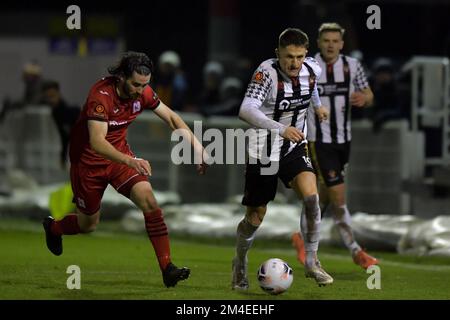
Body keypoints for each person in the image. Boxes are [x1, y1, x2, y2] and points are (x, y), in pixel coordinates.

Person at [42, 51, 208, 288]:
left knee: (149, 201)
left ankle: (167, 268)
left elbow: (171, 117)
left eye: (145, 85)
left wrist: (198, 147)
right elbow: (98, 142)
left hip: (119, 160)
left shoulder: (143, 92)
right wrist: (132, 161)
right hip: (88, 164)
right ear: (121, 77)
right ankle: (53, 227)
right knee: (88, 224)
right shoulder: (100, 97)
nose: (141, 90)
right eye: (136, 84)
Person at [232, 28, 333, 289]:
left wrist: (318, 105)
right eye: (289, 57)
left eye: (299, 57)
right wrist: (280, 128)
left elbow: (310, 90)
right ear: (278, 53)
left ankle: (311, 261)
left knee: (311, 198)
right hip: (262, 150)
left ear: (306, 54)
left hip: (293, 148)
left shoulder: (312, 69)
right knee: (255, 216)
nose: (294, 63)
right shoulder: (265, 73)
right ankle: (240, 262)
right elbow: (245, 110)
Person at [291, 23, 378, 270]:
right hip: (319, 141)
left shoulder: (352, 66)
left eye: (335, 41)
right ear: (318, 43)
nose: (330, 45)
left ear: (342, 44)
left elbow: (369, 93)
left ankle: (301, 238)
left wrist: (365, 98)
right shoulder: (308, 66)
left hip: (344, 141)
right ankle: (356, 251)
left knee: (322, 198)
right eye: (325, 40)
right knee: (339, 197)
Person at [41, 80, 80, 168]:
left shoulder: (71, 113)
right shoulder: (50, 114)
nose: (50, 100)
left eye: (52, 96)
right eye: (48, 97)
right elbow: (64, 138)